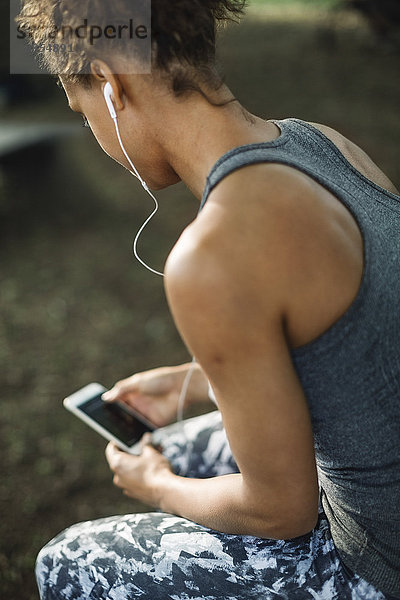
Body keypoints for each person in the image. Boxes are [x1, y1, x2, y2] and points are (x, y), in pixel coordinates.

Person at [17, 0, 400, 598]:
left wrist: (158, 487)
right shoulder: (326, 145)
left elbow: (281, 511)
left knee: (67, 561)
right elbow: (357, 339)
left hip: (377, 560)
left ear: (110, 86)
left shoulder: (213, 256)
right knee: (165, 443)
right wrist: (188, 384)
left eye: (81, 107)